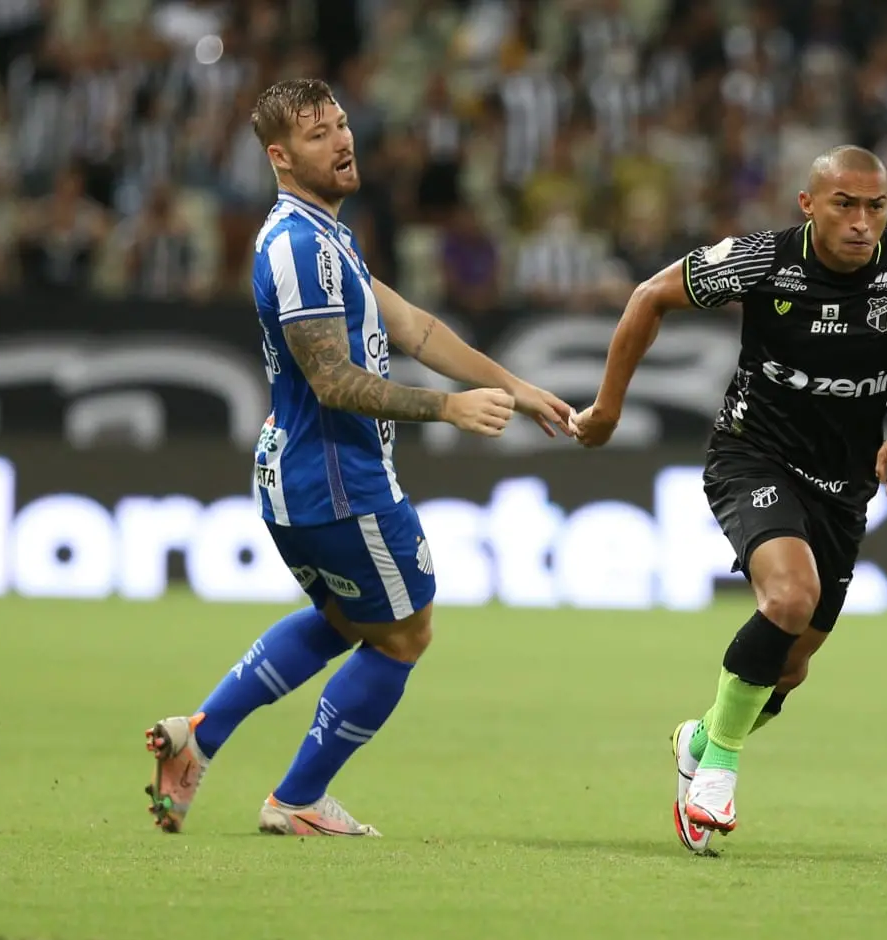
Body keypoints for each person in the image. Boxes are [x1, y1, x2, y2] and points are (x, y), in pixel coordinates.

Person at [144, 79, 573, 837]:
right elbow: (333, 380)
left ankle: (198, 736)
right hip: (339, 484)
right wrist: (450, 407)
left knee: (345, 619)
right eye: (318, 135)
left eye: (342, 125)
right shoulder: (299, 247)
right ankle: (297, 797)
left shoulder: (328, 232)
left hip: (303, 481)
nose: (342, 141)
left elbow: (413, 326)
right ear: (279, 157)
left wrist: (516, 385)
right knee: (405, 633)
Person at [572, 146, 887, 853]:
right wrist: (607, 408)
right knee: (789, 597)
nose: (861, 221)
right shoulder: (761, 260)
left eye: (875, 206)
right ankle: (717, 775)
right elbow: (647, 298)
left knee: (789, 667)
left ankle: (701, 737)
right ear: (808, 204)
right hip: (751, 453)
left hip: (845, 485)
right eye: (844, 204)